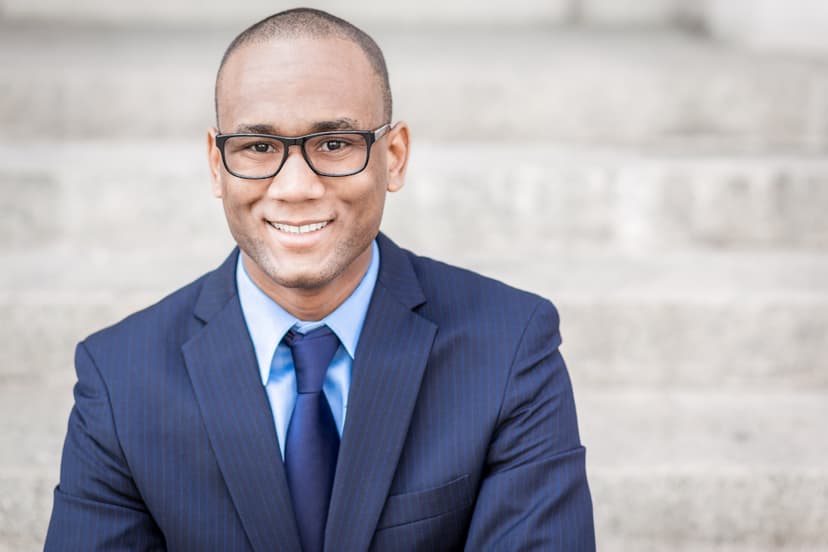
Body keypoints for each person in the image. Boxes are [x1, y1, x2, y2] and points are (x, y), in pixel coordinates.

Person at [45, 7, 594, 551]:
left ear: (394, 156)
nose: (296, 186)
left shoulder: (511, 345)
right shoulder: (120, 378)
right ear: (217, 165)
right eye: (258, 147)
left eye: (334, 144)